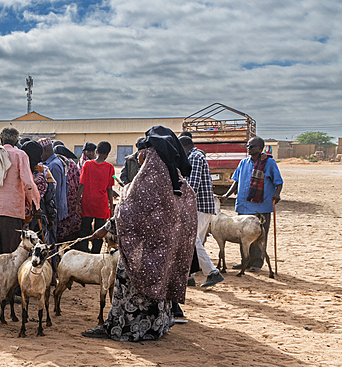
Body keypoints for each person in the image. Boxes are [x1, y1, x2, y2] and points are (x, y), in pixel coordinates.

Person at [82, 127, 196, 342]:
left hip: (142, 251)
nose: (139, 156)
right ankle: (155, 327)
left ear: (151, 154)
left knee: (131, 288)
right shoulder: (178, 181)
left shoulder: (148, 181)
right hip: (165, 252)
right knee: (158, 285)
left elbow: (128, 211)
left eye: (143, 151)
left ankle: (121, 329)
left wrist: (107, 228)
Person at [0, 128, 39, 302]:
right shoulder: (20, 155)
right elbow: (27, 182)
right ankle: (9, 294)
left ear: (0, 138)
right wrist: (35, 202)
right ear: (17, 140)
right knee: (11, 254)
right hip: (11, 210)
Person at [222, 137, 283, 271]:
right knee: (242, 235)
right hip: (244, 206)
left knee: (259, 235)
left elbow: (279, 182)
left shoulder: (269, 163)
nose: (249, 149)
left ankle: (256, 263)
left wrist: (277, 194)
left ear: (260, 148)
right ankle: (245, 261)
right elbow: (236, 181)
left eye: (252, 146)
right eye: (248, 146)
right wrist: (226, 195)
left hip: (261, 206)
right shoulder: (243, 163)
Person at [179, 133, 224, 288]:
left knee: (192, 240)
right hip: (201, 206)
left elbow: (192, 186)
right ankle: (189, 276)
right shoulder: (195, 156)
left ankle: (212, 272)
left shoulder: (194, 157)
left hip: (200, 206)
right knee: (192, 241)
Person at [77, 141, 115, 254]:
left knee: (84, 230)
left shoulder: (86, 165)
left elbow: (81, 184)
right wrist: (111, 207)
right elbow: (109, 189)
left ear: (96, 151)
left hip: (87, 203)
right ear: (107, 154)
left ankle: (83, 252)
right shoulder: (110, 168)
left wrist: (76, 203)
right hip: (101, 205)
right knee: (99, 232)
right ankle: (95, 254)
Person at [41, 138, 67, 258]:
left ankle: (52, 270)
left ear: (45, 150)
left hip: (52, 209)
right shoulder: (53, 163)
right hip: (52, 209)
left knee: (50, 241)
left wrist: (51, 212)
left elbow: (54, 193)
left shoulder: (53, 165)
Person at [54, 144, 82, 241]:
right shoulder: (72, 163)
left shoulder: (54, 162)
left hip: (60, 197)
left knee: (61, 223)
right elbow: (78, 181)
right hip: (72, 198)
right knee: (71, 223)